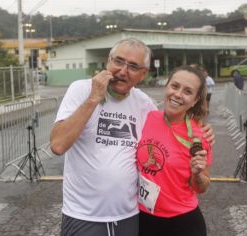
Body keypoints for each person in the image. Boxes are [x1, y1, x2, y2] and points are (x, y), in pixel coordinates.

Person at [50, 38, 214, 236]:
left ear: (143, 74)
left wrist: (200, 129)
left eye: (133, 66)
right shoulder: (81, 89)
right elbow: (58, 145)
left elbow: (172, 124)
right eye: (118, 61)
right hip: (83, 215)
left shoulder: (144, 104)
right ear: (108, 61)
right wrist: (93, 98)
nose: (122, 71)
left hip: (129, 216)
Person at [137, 65, 212, 236]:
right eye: (175, 86)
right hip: (144, 218)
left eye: (187, 91)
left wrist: (197, 174)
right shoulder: (147, 117)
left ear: (194, 100)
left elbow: (201, 187)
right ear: (166, 86)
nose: (178, 94)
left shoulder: (199, 137)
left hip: (182, 222)